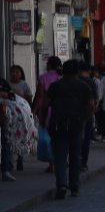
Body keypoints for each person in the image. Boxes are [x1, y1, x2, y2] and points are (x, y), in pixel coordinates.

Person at [35, 59, 94, 199]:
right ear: (77, 71)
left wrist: (43, 120)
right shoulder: (84, 87)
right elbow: (91, 106)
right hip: (76, 124)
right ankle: (74, 187)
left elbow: (45, 104)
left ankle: (61, 184)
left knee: (60, 156)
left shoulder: (55, 86)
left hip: (57, 124)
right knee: (75, 157)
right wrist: (85, 120)